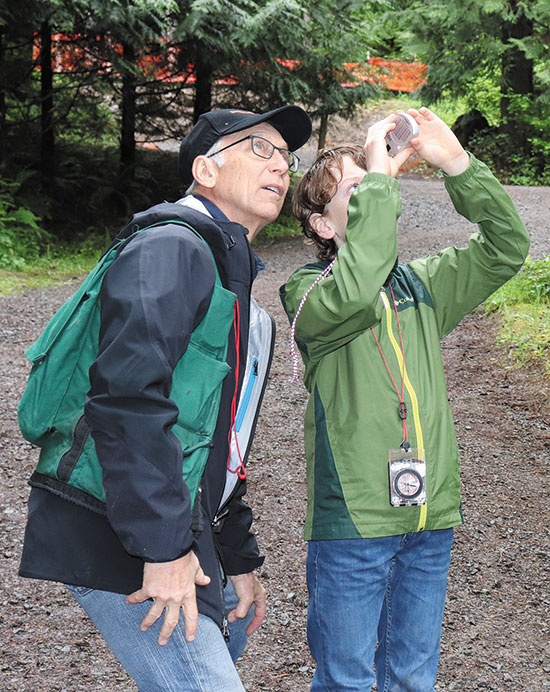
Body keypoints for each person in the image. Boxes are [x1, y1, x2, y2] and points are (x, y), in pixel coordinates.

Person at [18, 105, 312, 691]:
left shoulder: (232, 277)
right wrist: (162, 550)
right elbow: (127, 400)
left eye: (286, 157)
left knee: (221, 646)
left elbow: (218, 438)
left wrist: (235, 559)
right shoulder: (171, 248)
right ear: (205, 169)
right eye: (260, 148)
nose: (280, 166)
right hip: (117, 520)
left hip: (172, 520)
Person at [279, 107, 529, 692]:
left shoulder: (420, 286)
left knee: (413, 678)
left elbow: (507, 247)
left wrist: (457, 165)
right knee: (344, 679)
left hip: (428, 517)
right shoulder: (307, 296)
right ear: (321, 226)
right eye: (359, 185)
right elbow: (360, 280)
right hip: (354, 523)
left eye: (377, 181)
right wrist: (382, 179)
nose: (376, 187)